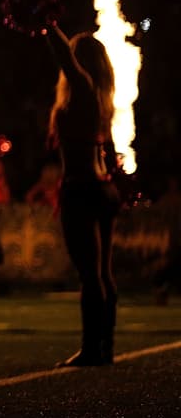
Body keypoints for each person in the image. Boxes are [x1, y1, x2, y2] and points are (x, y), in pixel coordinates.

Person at [44, 24, 119, 366]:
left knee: (91, 273)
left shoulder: (84, 89)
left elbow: (65, 59)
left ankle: (92, 348)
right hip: (102, 188)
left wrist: (47, 23)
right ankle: (105, 347)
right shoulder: (102, 99)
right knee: (102, 272)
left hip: (82, 187)